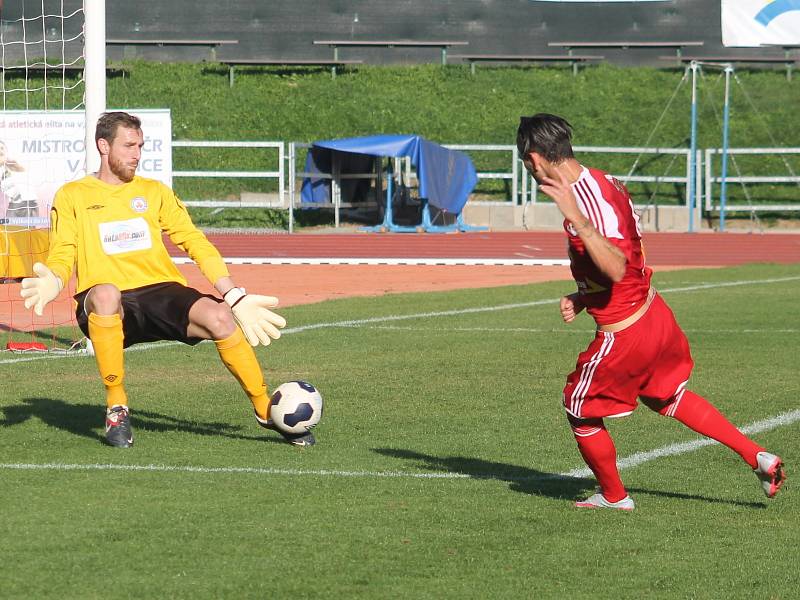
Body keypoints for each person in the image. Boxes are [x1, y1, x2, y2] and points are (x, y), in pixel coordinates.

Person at [516, 113, 785, 510]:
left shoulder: (586, 204)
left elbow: (615, 266)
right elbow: (624, 260)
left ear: (535, 159)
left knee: (578, 407)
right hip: (652, 312)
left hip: (626, 332)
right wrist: (584, 295)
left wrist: (578, 222)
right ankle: (757, 456)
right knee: (667, 397)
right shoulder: (604, 182)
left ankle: (614, 497)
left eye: (525, 162)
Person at [19, 111, 314, 447]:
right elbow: (63, 251)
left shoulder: (154, 191)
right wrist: (54, 281)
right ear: (103, 146)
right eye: (128, 145)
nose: (136, 154)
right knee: (105, 293)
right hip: (106, 300)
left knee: (219, 316)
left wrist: (233, 296)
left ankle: (265, 409)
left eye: (140, 146)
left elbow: (194, 240)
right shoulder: (73, 194)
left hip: (159, 291)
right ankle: (117, 407)